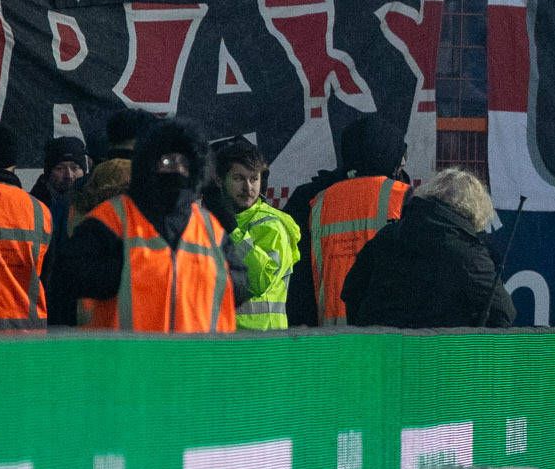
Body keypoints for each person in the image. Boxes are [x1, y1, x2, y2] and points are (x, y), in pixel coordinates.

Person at [46, 120, 235, 333]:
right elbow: (67, 274)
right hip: (128, 359)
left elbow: (241, 283)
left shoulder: (209, 226)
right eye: (166, 161)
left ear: (196, 166)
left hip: (190, 361)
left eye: (183, 162)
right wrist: (133, 275)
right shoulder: (113, 218)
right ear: (149, 164)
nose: (176, 169)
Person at [342, 170, 514, 328]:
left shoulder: (387, 235)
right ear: (475, 211)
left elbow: (351, 290)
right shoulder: (467, 254)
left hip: (381, 352)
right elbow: (504, 312)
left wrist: (367, 331)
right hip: (438, 356)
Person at [295, 121, 410, 326]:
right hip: (385, 330)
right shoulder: (402, 197)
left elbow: (301, 279)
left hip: (328, 333)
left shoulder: (317, 200)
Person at [206, 137, 301, 333]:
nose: (248, 188)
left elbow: (259, 281)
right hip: (220, 339)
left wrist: (232, 229)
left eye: (254, 178)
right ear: (219, 180)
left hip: (262, 344)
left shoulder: (271, 224)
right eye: (238, 178)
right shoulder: (206, 221)